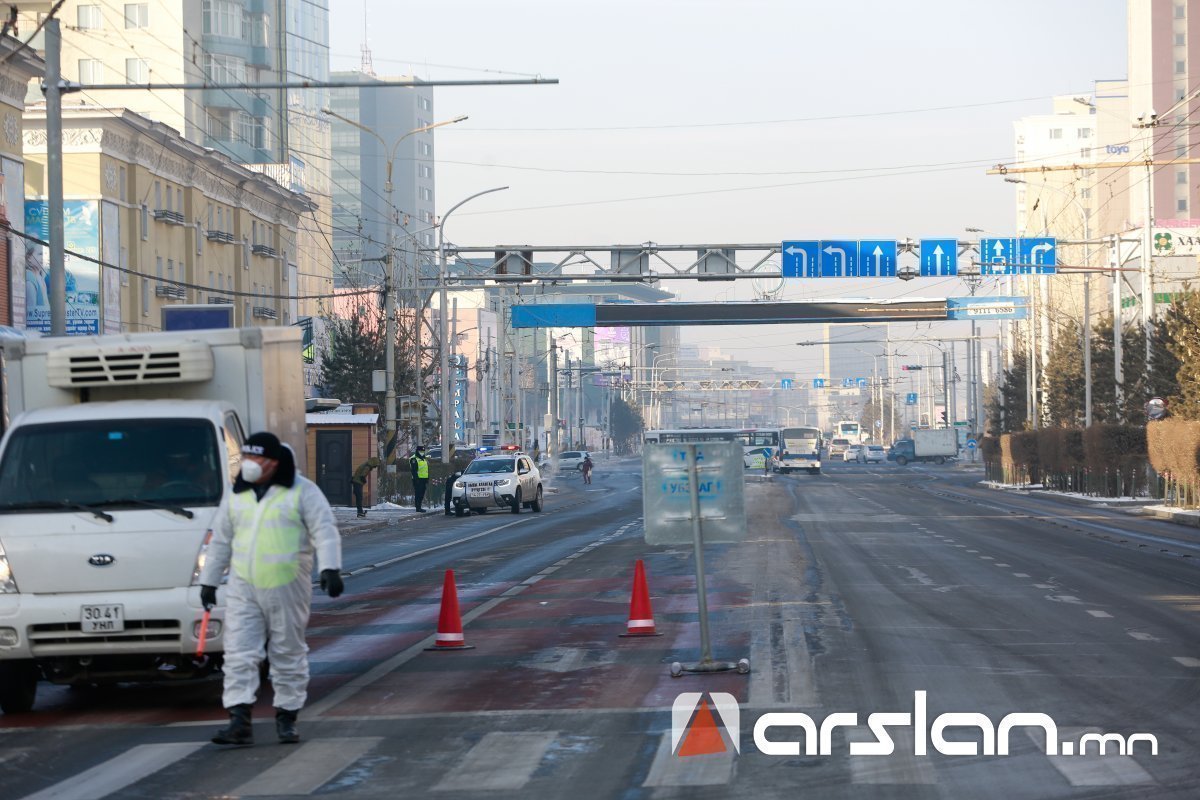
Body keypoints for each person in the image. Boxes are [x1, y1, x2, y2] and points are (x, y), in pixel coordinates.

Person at [198, 432, 343, 746]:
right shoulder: (237, 494)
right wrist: (209, 580)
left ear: (274, 462)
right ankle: (239, 720)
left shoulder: (302, 491)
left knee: (287, 652)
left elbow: (324, 530)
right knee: (238, 653)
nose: (249, 464)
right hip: (243, 587)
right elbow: (221, 539)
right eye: (246, 458)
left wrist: (330, 568)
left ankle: (287, 718)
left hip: (287, 585)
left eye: (257, 459)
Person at [410, 445, 430, 512]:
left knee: (422, 493)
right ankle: (418, 507)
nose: (422, 452)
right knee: (418, 493)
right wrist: (416, 479)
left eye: (423, 451)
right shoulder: (414, 459)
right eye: (420, 451)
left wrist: (427, 478)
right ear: (417, 451)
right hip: (418, 479)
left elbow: (425, 469)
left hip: (423, 479)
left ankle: (419, 506)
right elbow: (414, 470)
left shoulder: (424, 459)